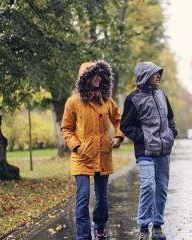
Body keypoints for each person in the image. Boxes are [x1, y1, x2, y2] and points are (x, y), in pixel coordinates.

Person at [61, 61, 124, 240]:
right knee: (82, 197)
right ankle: (83, 236)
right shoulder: (72, 102)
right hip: (81, 156)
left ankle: (100, 226)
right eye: (94, 75)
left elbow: (119, 120)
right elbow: (66, 128)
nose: (98, 78)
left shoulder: (107, 101)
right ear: (85, 78)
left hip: (103, 154)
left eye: (100, 75)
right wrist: (77, 146)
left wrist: (118, 137)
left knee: (102, 197)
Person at [120, 62, 177, 240]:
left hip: (164, 151)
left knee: (161, 188)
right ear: (145, 76)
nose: (158, 77)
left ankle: (158, 225)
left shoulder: (162, 95)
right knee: (148, 185)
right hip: (145, 151)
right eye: (155, 74)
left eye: (159, 74)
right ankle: (144, 226)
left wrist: (171, 134)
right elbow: (126, 126)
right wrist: (144, 138)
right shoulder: (133, 99)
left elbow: (170, 118)